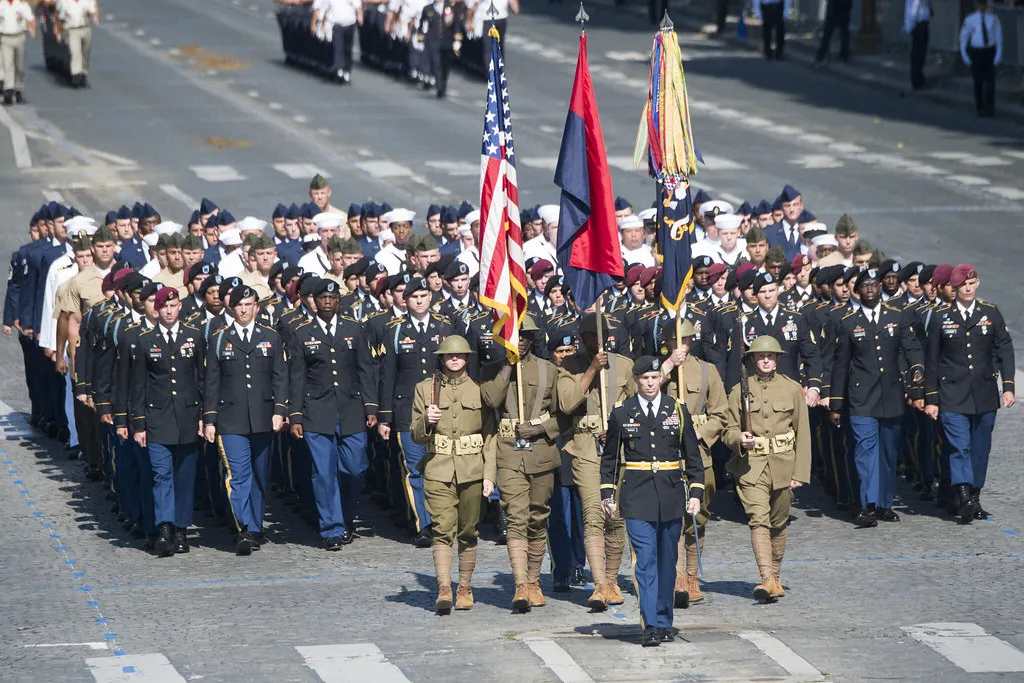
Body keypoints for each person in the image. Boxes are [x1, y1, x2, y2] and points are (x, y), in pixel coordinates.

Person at [601, 355, 703, 647]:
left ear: (661, 379)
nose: (650, 382)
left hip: (670, 493)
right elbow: (609, 458)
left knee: (667, 562)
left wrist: (695, 493)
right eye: (644, 378)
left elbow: (693, 457)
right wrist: (607, 493)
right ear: (636, 380)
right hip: (636, 493)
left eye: (655, 377)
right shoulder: (623, 411)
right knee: (644, 561)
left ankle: (664, 620)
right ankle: (649, 625)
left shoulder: (677, 410)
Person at [829, 268, 924, 527]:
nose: (870, 289)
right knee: (864, 450)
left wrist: (917, 367)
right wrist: (836, 404)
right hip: (861, 397)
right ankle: (865, 505)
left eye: (874, 285)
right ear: (857, 292)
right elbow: (841, 365)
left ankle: (883, 504)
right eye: (865, 286)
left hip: (891, 394)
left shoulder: (897, 315)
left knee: (888, 452)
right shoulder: (848, 321)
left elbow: (911, 346)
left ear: (880, 287)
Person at [287, 278, 377, 549]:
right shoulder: (301, 332)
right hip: (317, 410)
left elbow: (366, 370)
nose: (327, 302)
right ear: (313, 300)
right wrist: (295, 415)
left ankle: (346, 517)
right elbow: (297, 377)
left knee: (355, 468)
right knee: (323, 473)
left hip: (351, 408)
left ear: (339, 300)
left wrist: (371, 407)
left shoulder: (354, 329)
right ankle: (331, 529)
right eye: (322, 298)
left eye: (332, 297)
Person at [480, 315, 561, 612]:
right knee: (516, 516)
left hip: (541, 452)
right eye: (515, 335)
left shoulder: (549, 370)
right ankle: (520, 585)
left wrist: (540, 429)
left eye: (525, 335)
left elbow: (562, 414)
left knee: (537, 517)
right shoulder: (492, 370)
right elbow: (490, 400)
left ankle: (534, 580)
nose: (521, 340)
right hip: (509, 453)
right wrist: (507, 366)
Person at [410, 335, 496, 614]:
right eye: (448, 356)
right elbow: (415, 434)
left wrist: (489, 475)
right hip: (439, 467)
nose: (454, 359)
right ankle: (444, 589)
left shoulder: (481, 389)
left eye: (459, 355)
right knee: (442, 529)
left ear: (467, 358)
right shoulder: (425, 389)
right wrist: (426, 420)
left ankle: (466, 587)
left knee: (469, 531)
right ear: (442, 358)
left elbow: (491, 436)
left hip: (472, 469)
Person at [556, 313, 636, 611]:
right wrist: (591, 369)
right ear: (582, 337)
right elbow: (567, 403)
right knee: (594, 513)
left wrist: (618, 428)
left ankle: (613, 581)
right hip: (585, 450)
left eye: (602, 336)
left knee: (616, 518)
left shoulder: (625, 366)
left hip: (619, 451)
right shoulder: (568, 366)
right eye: (591, 336)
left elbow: (637, 407)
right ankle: (599, 584)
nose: (598, 341)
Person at [924, 264, 1014, 524]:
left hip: (984, 392)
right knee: (959, 446)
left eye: (971, 283)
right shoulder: (941, 317)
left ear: (977, 284)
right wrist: (931, 398)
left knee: (980, 448)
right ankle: (963, 495)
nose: (967, 288)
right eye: (962, 284)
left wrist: (1008, 386)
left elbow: (1004, 348)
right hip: (952, 393)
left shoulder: (990, 313)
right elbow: (932, 360)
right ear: (953, 288)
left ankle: (974, 497)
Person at [723, 336, 810, 603]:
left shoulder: (792, 389)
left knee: (779, 521)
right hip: (752, 466)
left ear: (777, 359)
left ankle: (776, 574)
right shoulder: (739, 391)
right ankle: (767, 578)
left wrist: (800, 473)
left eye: (770, 356)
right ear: (751, 359)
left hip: (783, 464)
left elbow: (802, 432)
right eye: (760, 356)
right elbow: (728, 428)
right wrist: (739, 439)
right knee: (758, 520)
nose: (765, 360)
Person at [203, 286, 288, 554]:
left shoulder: (271, 337)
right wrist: (209, 420)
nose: (243, 309)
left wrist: (280, 410)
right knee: (238, 476)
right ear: (231, 308)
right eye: (239, 305)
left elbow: (280, 376)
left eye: (249, 304)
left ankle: (255, 524)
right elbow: (211, 382)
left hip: (263, 417)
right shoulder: (219, 339)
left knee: (260, 476)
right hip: (231, 419)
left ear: (256, 308)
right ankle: (244, 528)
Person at [129, 288, 204, 557]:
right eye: (164, 307)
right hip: (157, 418)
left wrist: (206, 417)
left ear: (180, 306)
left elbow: (203, 379)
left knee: (185, 477)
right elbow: (138, 386)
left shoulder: (194, 336)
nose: (169, 311)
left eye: (173, 305)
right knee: (162, 475)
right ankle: (164, 527)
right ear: (156, 310)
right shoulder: (145, 340)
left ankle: (181, 529)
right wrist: (139, 425)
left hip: (188, 417)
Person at [658, 319, 728, 608]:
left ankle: (691, 576)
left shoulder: (707, 370)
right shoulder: (658, 369)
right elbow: (640, 392)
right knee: (671, 515)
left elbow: (721, 414)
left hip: (699, 452)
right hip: (666, 453)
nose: (680, 346)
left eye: (684, 340)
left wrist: (701, 432)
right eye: (675, 341)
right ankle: (674, 578)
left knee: (697, 516)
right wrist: (667, 367)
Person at [959, 0, 1001, 117]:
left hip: (989, 50)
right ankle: (980, 107)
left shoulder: (993, 19)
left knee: (990, 81)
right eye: (980, 4)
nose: (982, 6)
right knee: (978, 81)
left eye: (983, 4)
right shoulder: (970, 19)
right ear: (976, 5)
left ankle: (990, 108)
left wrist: (998, 54)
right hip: (977, 51)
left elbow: (998, 36)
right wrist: (964, 54)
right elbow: (964, 37)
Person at [416, 0, 465, 98]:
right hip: (433, 41)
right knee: (436, 63)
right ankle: (440, 87)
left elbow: (457, 24)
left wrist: (457, 40)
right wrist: (420, 37)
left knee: (445, 65)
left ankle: (443, 83)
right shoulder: (428, 8)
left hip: (447, 41)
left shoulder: (450, 8)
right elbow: (422, 23)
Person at [55, 0, 99, 88]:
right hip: (72, 30)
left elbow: (94, 9)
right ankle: (76, 76)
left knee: (86, 52)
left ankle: (83, 74)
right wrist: (58, 32)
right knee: (75, 52)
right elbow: (59, 18)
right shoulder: (65, 3)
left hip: (85, 28)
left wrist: (95, 17)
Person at [0, 0, 36, 105]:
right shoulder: (1, 4)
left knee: (19, 67)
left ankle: (19, 90)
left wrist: (32, 28)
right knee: (8, 65)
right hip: (5, 38)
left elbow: (31, 19)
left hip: (19, 37)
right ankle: (8, 91)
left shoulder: (22, 5)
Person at [904, 0, 931, 89]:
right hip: (919, 23)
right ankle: (917, 79)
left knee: (919, 52)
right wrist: (910, 25)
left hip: (921, 22)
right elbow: (914, 8)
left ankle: (918, 77)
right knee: (918, 53)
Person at [814, 0, 851, 65]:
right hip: (843, 12)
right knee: (844, 36)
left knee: (827, 36)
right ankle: (844, 56)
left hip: (833, 12)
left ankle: (820, 57)